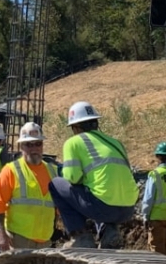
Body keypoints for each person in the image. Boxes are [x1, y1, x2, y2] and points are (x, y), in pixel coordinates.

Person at [50, 101, 138, 249]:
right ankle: (109, 231)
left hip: (103, 208)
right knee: (97, 187)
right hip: (128, 209)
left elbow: (72, 178)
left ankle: (80, 235)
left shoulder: (73, 142)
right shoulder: (116, 143)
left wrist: (63, 170)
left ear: (76, 127)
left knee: (55, 184)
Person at [0, 122, 58, 250]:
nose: (34, 148)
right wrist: (1, 235)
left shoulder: (53, 171)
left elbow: (57, 206)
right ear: (21, 146)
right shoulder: (11, 170)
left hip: (45, 241)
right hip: (18, 240)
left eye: (38, 144)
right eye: (29, 144)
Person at [140, 141, 166, 256]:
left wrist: (145, 216)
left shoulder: (155, 174)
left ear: (158, 157)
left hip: (157, 217)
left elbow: (148, 199)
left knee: (156, 249)